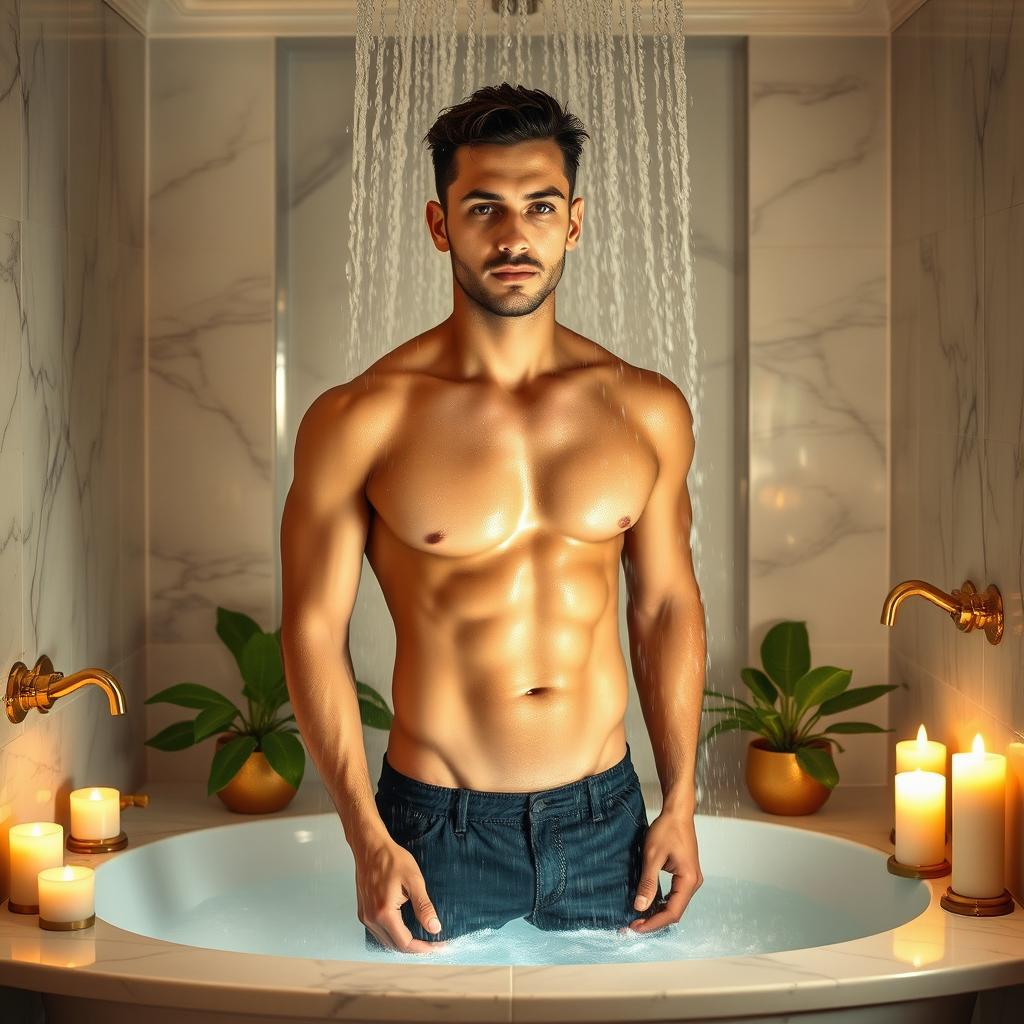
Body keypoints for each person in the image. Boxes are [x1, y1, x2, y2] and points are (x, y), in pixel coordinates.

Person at [279, 82, 706, 955]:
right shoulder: (362, 418)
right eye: (484, 208)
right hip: (436, 829)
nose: (514, 236)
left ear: (573, 222)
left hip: (607, 823)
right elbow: (311, 631)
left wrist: (683, 799)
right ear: (442, 225)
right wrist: (367, 839)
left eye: (540, 206)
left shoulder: (647, 409)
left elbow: (664, 605)